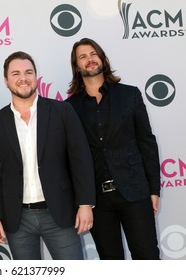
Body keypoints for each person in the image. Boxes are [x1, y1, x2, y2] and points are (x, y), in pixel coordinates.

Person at [0, 51, 96, 260]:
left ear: (36, 77)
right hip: (17, 218)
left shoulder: (62, 112)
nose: (23, 78)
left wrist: (85, 204)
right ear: (6, 81)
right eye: (15, 73)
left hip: (59, 212)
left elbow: (81, 160)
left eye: (28, 72)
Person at [66, 38, 161, 260]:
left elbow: (146, 143)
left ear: (102, 58)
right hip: (97, 200)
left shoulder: (130, 95)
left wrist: (154, 190)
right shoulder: (69, 108)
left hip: (134, 192)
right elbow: (72, 159)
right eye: (82, 57)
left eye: (93, 54)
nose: (89, 59)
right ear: (77, 66)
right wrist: (81, 201)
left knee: (148, 258)